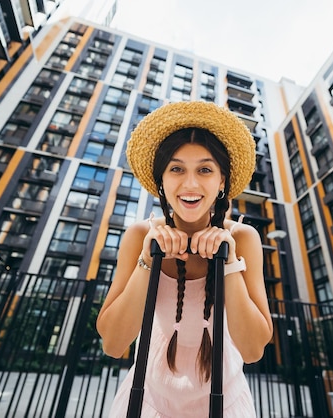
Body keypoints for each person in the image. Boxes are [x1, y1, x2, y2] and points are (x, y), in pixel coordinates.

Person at [96, 101, 273, 417]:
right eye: (176, 169)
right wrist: (147, 261)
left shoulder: (244, 240)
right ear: (161, 181)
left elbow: (253, 349)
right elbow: (112, 344)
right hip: (149, 399)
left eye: (205, 169)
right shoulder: (140, 236)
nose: (190, 184)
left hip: (224, 401)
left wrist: (230, 263)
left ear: (221, 182)